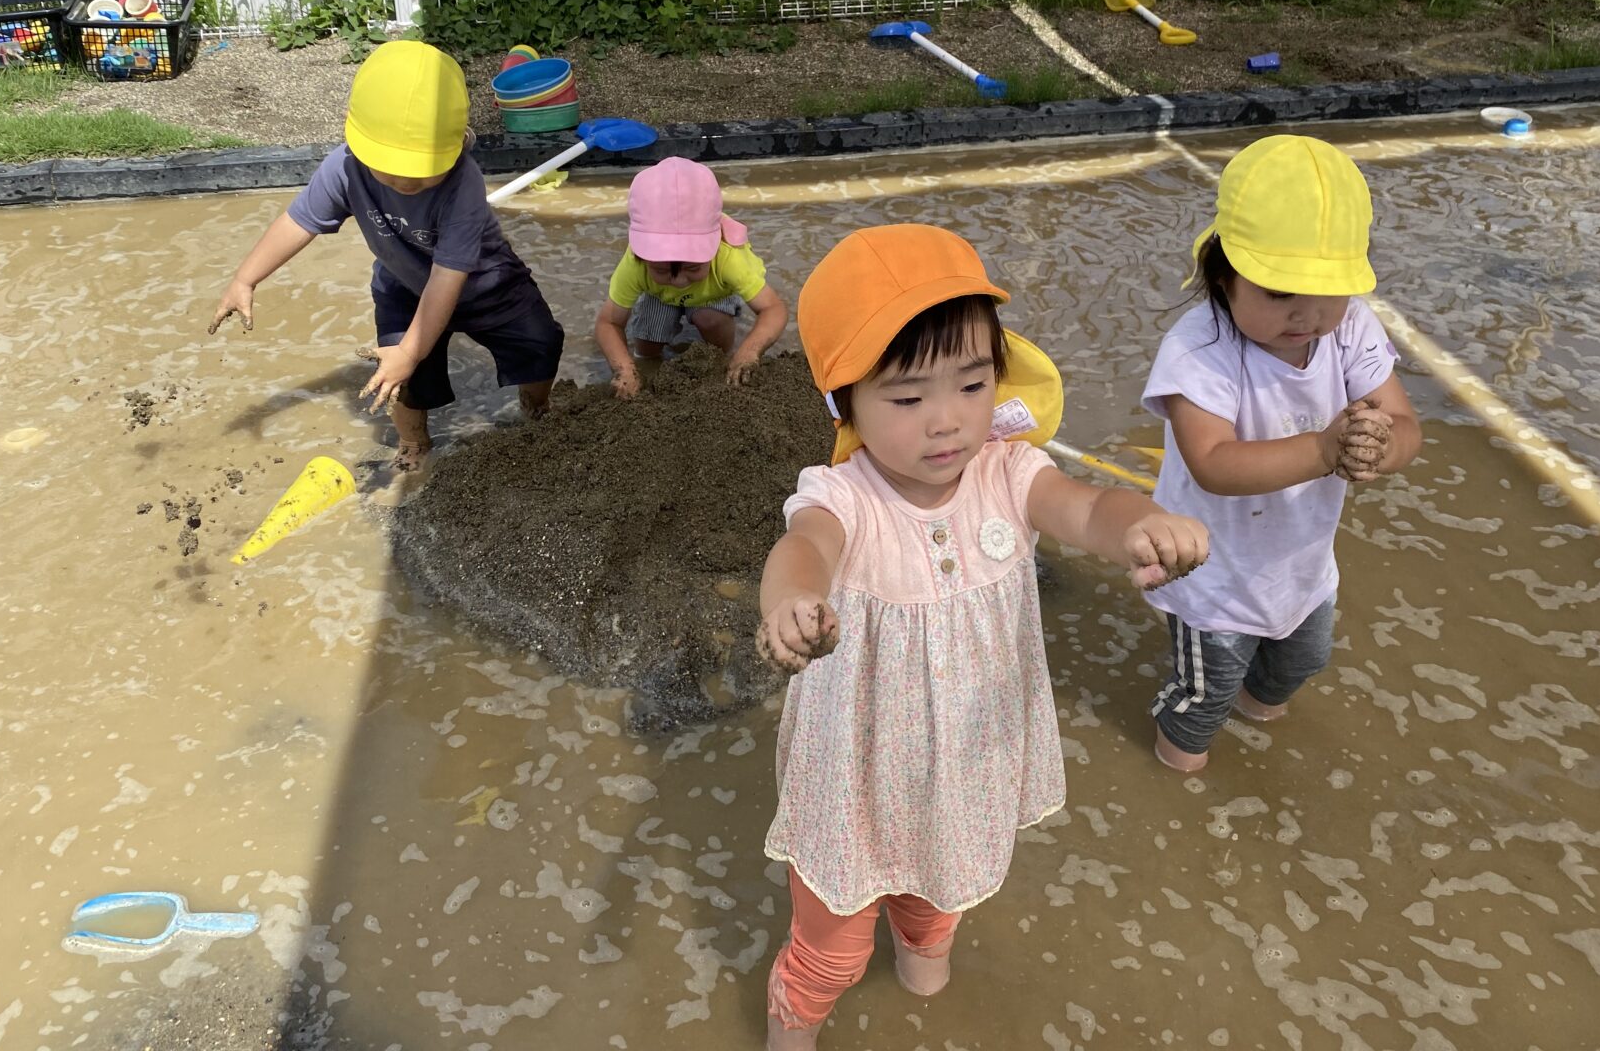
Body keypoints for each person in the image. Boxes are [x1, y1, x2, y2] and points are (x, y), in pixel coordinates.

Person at [754, 224, 1209, 1050]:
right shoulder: (843, 495)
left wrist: (1144, 525)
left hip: (963, 765)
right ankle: (794, 1026)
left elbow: (1086, 508)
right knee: (833, 950)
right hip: (854, 774)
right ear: (842, 401)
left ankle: (929, 982)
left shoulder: (1008, 471)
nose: (947, 422)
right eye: (906, 397)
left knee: (940, 901)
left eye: (970, 384)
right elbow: (803, 548)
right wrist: (792, 604)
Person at [1142, 134, 1422, 773]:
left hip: (1301, 565)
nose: (1307, 315)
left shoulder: (1348, 327)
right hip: (1210, 575)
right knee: (1201, 703)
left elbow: (1405, 420)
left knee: (1298, 666)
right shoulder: (1199, 352)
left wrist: (1382, 448)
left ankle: (1258, 712)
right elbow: (1213, 463)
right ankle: (1175, 770)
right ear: (1223, 275)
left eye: (1328, 291)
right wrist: (1326, 448)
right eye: (1278, 292)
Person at [207, 42, 565, 469]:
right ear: (356, 139)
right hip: (405, 287)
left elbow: (448, 276)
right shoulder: (344, 168)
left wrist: (412, 350)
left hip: (487, 284)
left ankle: (535, 406)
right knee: (400, 378)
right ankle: (413, 443)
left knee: (541, 343)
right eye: (388, 166)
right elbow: (298, 222)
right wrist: (245, 278)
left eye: (420, 169)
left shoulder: (463, 181)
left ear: (456, 143)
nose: (403, 180)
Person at [592, 156, 788, 398]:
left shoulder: (728, 257)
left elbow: (773, 308)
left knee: (710, 320)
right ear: (643, 257)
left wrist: (748, 352)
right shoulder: (635, 263)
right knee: (646, 348)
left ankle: (722, 357)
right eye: (662, 271)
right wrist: (625, 368)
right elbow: (608, 323)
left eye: (693, 268)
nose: (679, 281)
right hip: (659, 297)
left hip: (712, 297)